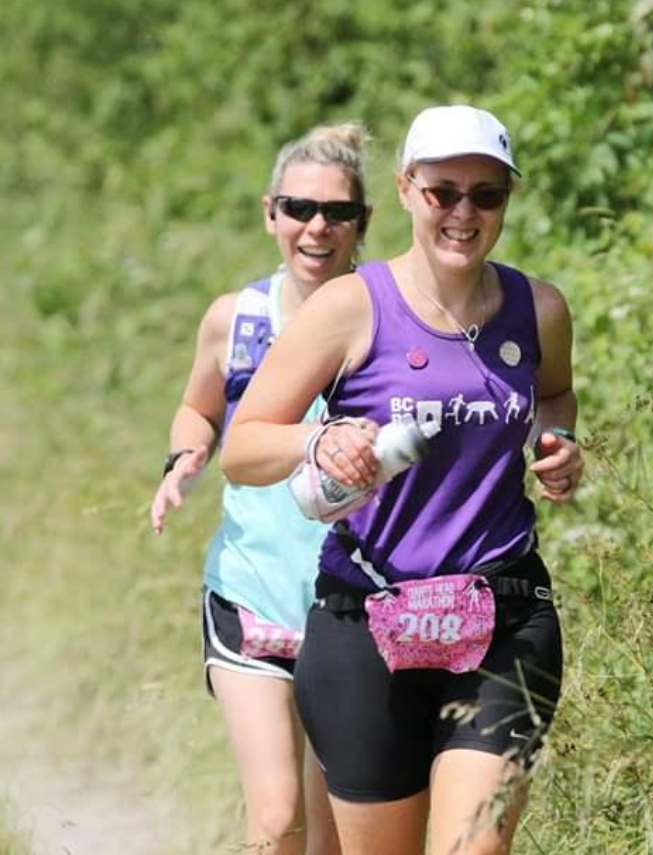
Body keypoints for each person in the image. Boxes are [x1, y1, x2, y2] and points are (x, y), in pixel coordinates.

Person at [220, 104, 583, 855]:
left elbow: (555, 393)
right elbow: (244, 447)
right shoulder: (350, 306)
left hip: (502, 614)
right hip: (366, 621)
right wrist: (320, 440)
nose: (463, 213)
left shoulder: (539, 308)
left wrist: (558, 441)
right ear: (406, 189)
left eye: (486, 195)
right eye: (443, 192)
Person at [150, 121, 373, 855]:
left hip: (355, 604)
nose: (317, 227)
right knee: (277, 820)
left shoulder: (387, 317)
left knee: (330, 836)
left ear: (363, 222)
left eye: (337, 212)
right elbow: (198, 407)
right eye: (298, 208)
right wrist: (184, 457)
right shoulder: (236, 318)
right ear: (270, 214)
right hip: (251, 593)